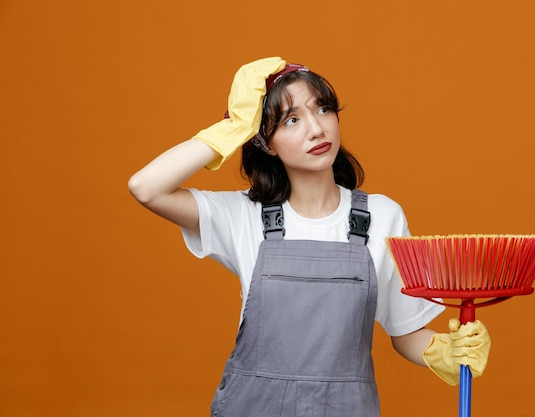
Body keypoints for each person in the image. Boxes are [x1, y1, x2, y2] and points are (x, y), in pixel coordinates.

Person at [128, 57, 491, 416]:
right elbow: (146, 188)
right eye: (291, 120)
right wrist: (233, 127)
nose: (316, 130)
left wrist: (445, 351)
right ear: (265, 141)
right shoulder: (244, 215)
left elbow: (406, 332)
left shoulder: (382, 217)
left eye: (323, 109)